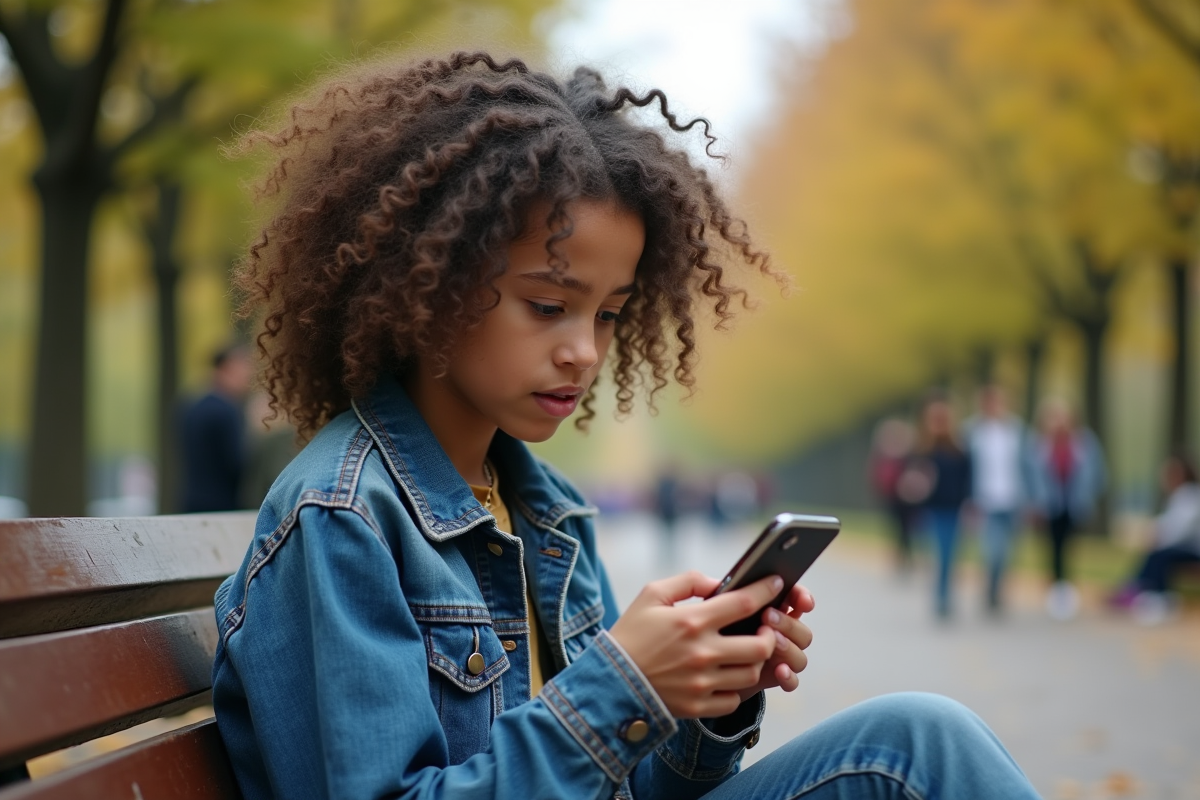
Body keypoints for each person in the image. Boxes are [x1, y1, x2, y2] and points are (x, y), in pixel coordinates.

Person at [211, 52, 1039, 800]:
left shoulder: (547, 509)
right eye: (548, 305)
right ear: (425, 284)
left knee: (917, 740)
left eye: (609, 315)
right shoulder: (341, 517)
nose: (584, 352)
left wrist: (708, 693)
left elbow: (634, 789)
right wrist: (621, 683)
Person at [1025, 400, 1106, 621]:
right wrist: (1032, 503)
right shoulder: (1038, 444)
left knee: (1069, 547)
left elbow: (1096, 472)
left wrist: (1089, 496)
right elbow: (1029, 476)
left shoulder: (1084, 442)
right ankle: (1057, 591)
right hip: (1048, 504)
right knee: (1053, 547)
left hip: (1075, 503)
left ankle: (1065, 589)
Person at [1108, 453, 1200, 625]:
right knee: (1156, 553)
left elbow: (1179, 530)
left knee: (1160, 555)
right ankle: (1137, 588)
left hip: (1193, 550)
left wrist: (1156, 535)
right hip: (1184, 547)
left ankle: (1155, 595)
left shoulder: (1190, 496)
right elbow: (1167, 523)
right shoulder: (1181, 496)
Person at [962, 385, 1030, 615]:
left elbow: (1027, 465)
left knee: (1009, 552)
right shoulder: (972, 431)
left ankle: (998, 591)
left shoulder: (1016, 430)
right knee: (993, 551)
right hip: (985, 500)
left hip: (1013, 499)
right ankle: (990, 592)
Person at [911, 396, 973, 619]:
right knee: (936, 554)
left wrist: (969, 505)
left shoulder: (959, 451)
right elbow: (912, 483)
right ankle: (940, 595)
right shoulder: (922, 451)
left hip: (953, 510)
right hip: (930, 511)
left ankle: (944, 595)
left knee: (949, 554)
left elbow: (967, 481)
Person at [179, 344, 253, 512]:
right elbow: (237, 463)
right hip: (222, 506)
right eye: (244, 367)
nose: (248, 376)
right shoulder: (227, 410)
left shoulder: (191, 405)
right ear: (227, 367)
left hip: (191, 500)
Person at [868, 417, 918, 573]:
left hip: (906, 499)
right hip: (893, 498)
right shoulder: (886, 456)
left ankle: (904, 555)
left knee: (904, 529)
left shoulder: (906, 455)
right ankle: (903, 556)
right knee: (899, 529)